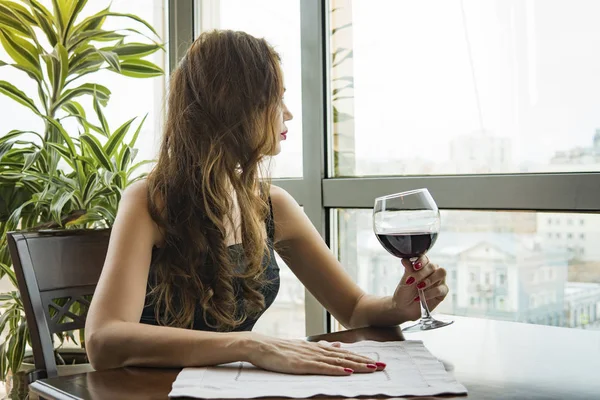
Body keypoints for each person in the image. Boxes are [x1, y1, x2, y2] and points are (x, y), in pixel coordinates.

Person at [85, 30, 449, 376]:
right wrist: (248, 345)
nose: (287, 113)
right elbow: (103, 341)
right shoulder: (149, 202)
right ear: (233, 105)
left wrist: (397, 307)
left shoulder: (272, 204)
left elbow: (353, 309)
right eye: (276, 99)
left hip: (231, 390)